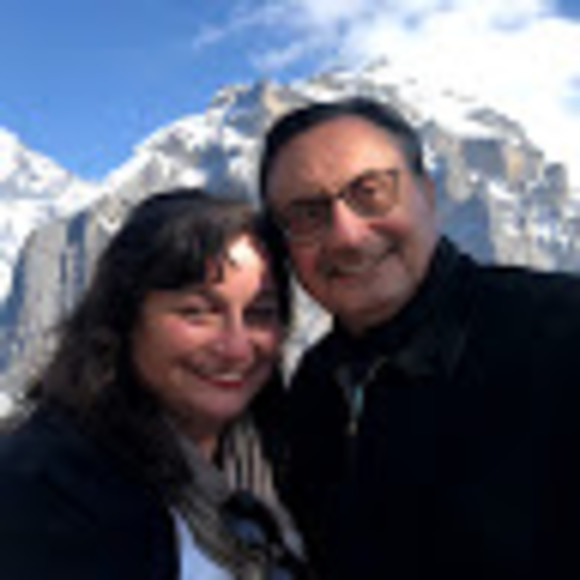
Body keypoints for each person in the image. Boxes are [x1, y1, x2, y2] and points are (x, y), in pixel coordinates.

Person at [258, 97, 580, 579]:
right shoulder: (314, 388)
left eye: (371, 192)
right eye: (307, 215)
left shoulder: (561, 332)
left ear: (428, 194)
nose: (347, 236)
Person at [0, 188, 311, 579]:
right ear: (126, 318)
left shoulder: (289, 459)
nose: (235, 347)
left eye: (260, 313)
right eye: (198, 312)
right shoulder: (43, 490)